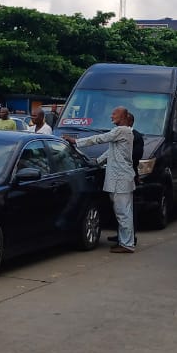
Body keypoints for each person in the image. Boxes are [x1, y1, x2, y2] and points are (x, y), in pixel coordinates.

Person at [65, 106, 137, 254]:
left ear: (123, 116)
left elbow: (99, 139)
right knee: (123, 213)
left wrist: (76, 141)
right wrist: (96, 162)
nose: (111, 116)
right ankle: (125, 242)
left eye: (114, 114)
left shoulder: (121, 131)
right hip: (121, 178)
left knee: (123, 213)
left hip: (121, 179)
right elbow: (110, 152)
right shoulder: (122, 134)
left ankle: (127, 244)